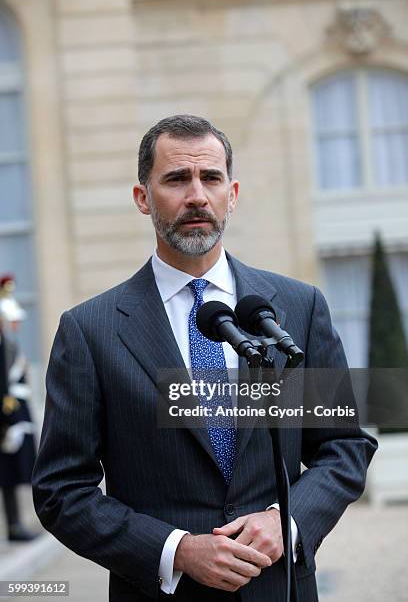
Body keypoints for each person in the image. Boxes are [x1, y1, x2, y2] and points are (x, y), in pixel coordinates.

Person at [32, 115, 377, 601]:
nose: (197, 195)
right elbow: (61, 490)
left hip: (277, 586)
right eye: (176, 179)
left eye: (210, 178)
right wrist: (174, 550)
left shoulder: (297, 308)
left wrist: (287, 520)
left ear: (231, 194)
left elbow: (343, 447)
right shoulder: (90, 330)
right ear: (143, 198)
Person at [0, 275, 38, 542]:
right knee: (9, 475)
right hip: (9, 416)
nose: (16, 324)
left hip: (17, 414)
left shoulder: (10, 344)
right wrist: (9, 421)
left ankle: (16, 524)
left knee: (15, 474)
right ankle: (13, 526)